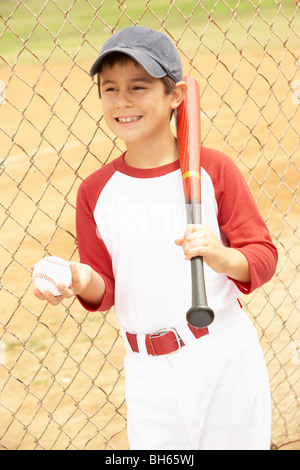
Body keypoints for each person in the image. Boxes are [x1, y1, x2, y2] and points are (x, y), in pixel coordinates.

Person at [33, 26, 278, 450]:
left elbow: (262, 255)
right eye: (110, 89)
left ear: (176, 96)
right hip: (145, 373)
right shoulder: (95, 190)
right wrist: (76, 277)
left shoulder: (213, 171)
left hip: (219, 357)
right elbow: (105, 288)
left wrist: (220, 257)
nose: (122, 101)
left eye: (139, 86)